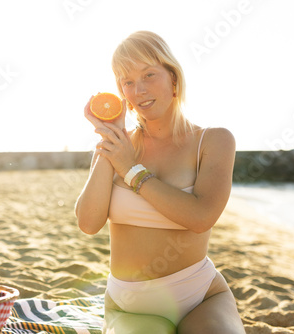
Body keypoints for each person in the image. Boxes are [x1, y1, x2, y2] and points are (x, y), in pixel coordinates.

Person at [75, 31, 245, 333]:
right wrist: (110, 139)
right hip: (130, 306)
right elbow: (88, 223)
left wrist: (131, 170)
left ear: (174, 78)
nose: (139, 90)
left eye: (149, 75)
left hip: (200, 296)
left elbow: (201, 217)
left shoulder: (214, 140)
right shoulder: (115, 147)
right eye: (127, 81)